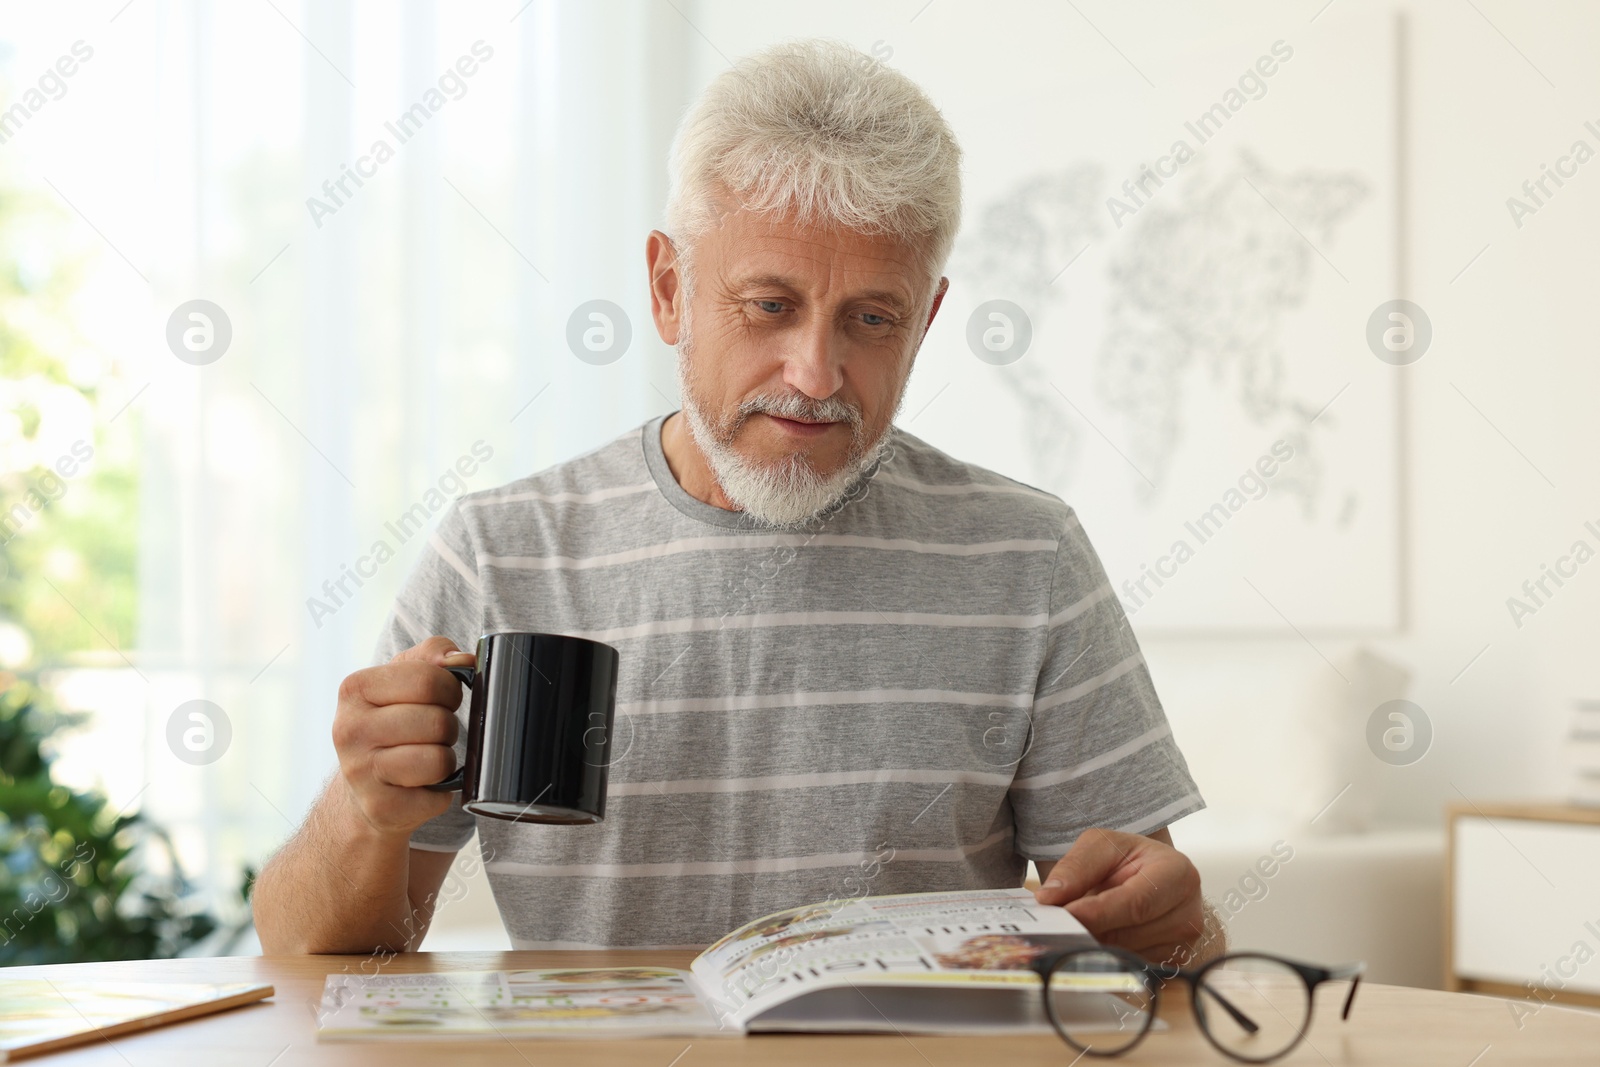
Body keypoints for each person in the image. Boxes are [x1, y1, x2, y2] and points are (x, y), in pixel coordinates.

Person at [254, 38, 1223, 966]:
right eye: (769, 305)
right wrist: (361, 809)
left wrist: (1175, 930)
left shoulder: (1028, 557)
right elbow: (310, 955)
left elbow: (1159, 941)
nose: (814, 374)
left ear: (924, 322)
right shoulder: (505, 550)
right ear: (670, 288)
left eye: (870, 318)